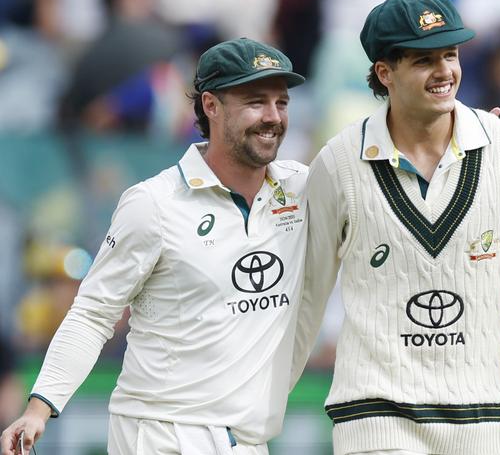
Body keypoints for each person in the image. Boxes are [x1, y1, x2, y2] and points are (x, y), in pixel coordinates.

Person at [291, 0, 500, 455]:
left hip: (482, 422)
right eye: (424, 60)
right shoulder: (337, 164)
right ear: (385, 72)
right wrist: (253, 418)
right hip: (374, 420)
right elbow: (304, 304)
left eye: (451, 54)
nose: (444, 72)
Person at [1, 37, 307, 455]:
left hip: (246, 440)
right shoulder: (154, 202)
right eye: (256, 102)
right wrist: (39, 410)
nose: (273, 117)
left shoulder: (301, 189)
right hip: (162, 434)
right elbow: (93, 313)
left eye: (282, 103)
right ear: (211, 106)